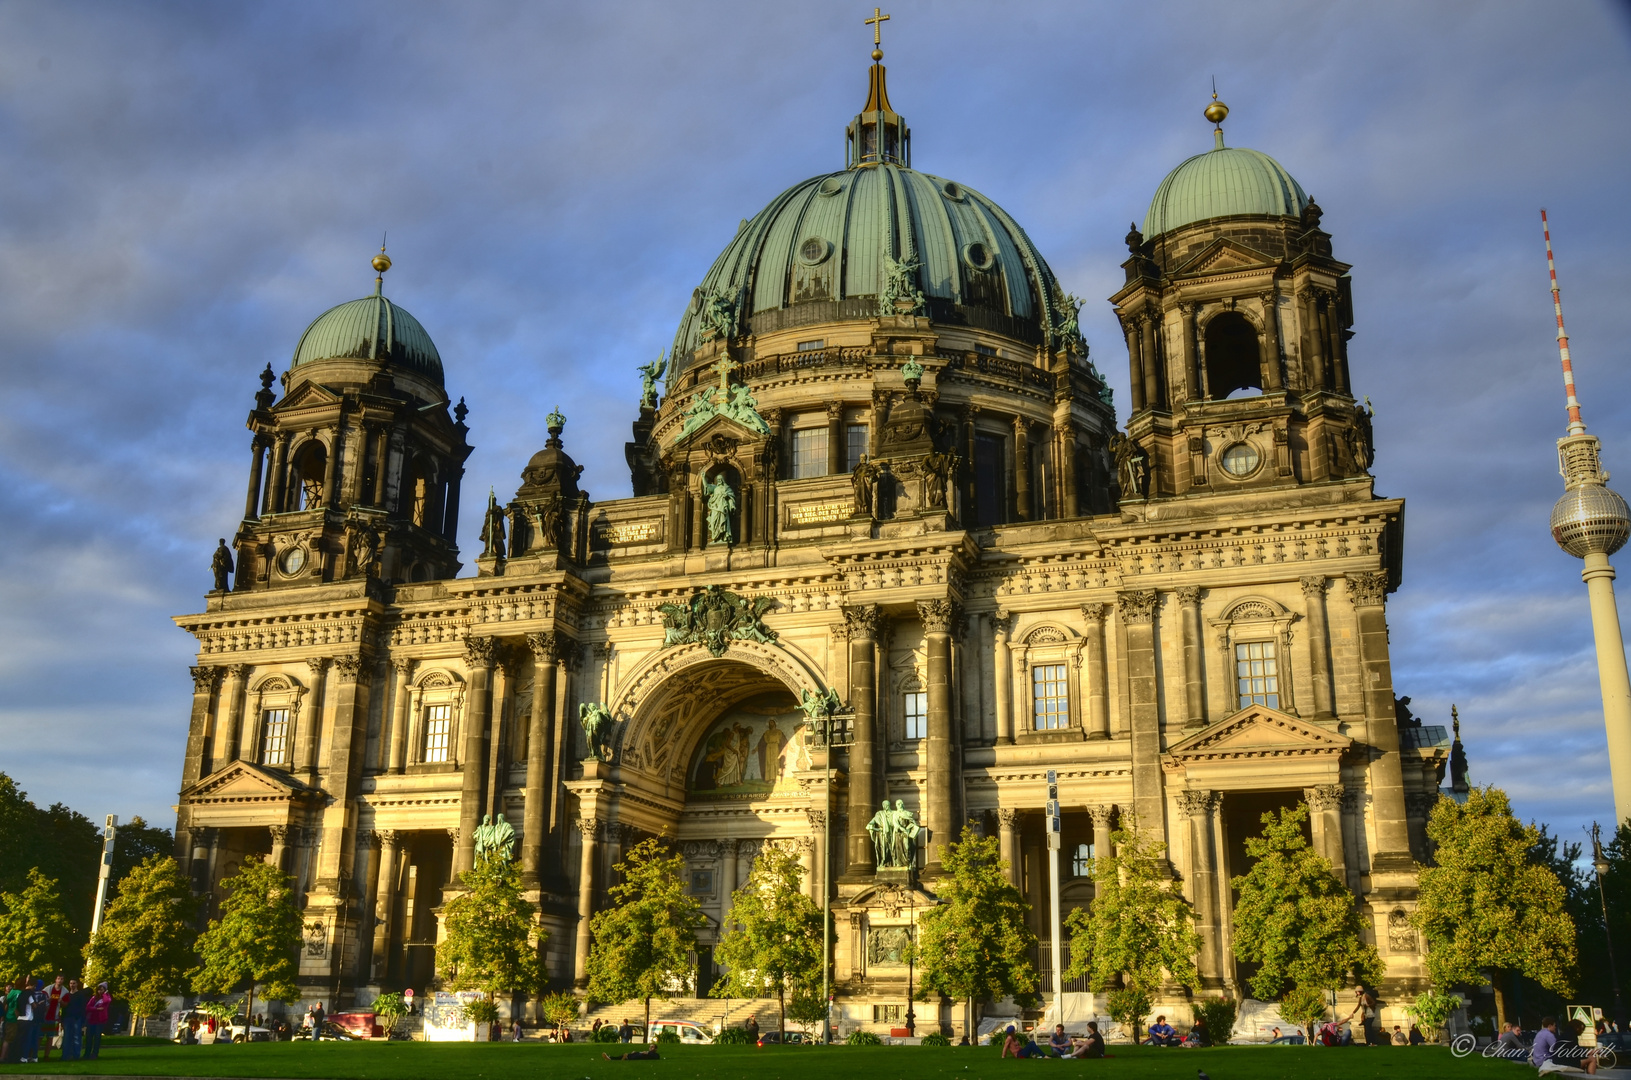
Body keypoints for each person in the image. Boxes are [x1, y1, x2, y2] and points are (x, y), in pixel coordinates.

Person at [39, 974, 65, 1062]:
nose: (60, 980)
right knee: (40, 1036)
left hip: (54, 1016)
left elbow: (65, 1004)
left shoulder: (64, 991)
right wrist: (48, 1000)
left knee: (50, 1037)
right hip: (44, 1016)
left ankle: (46, 1055)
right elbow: (41, 1000)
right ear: (55, 979)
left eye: (61, 979)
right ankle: (34, 1054)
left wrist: (61, 1002)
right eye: (58, 978)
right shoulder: (47, 989)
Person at [60, 978, 87, 1061]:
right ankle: (65, 1055)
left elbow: (83, 1008)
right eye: (71, 983)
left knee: (76, 1037)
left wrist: (83, 1021)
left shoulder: (80, 995)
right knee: (67, 1037)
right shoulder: (67, 995)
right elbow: (64, 1008)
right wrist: (62, 1020)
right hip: (67, 1018)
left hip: (77, 1018)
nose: (72, 985)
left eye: (74, 983)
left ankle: (76, 1055)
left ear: (77, 984)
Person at [85, 982, 112, 1060]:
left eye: (102, 990)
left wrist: (105, 994)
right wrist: (96, 1009)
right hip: (92, 1020)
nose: (100, 991)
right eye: (99, 990)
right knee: (89, 1037)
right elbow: (88, 1007)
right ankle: (87, 1053)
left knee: (97, 1038)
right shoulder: (94, 998)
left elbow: (106, 1001)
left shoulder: (107, 997)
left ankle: (95, 1054)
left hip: (100, 1020)